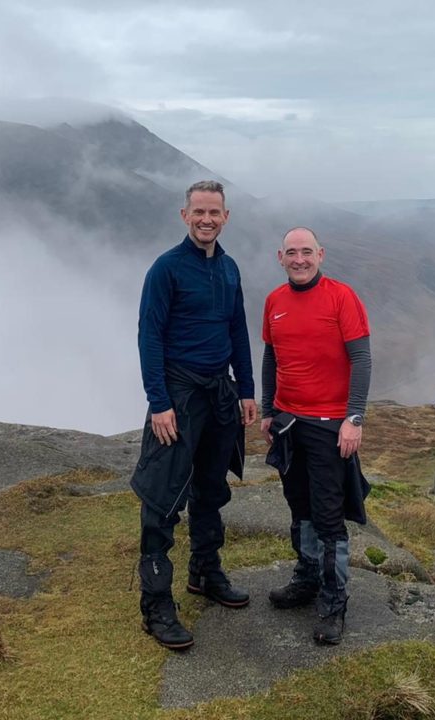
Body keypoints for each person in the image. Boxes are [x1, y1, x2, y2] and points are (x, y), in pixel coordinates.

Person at [131, 180, 259, 650]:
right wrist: (159, 402)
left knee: (211, 488)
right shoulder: (166, 269)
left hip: (219, 394)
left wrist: (246, 390)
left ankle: (205, 573)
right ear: (184, 216)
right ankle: (156, 604)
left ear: (226, 217)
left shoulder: (228, 269)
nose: (207, 219)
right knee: (163, 496)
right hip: (179, 394)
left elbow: (237, 331)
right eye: (199, 212)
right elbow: (149, 336)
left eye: (215, 213)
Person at [260, 226, 372, 645]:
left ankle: (333, 601)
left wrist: (354, 418)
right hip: (288, 422)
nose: (300, 259)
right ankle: (306, 578)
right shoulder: (274, 301)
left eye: (307, 252)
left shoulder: (342, 297)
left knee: (327, 516)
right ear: (281, 256)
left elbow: (361, 359)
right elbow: (272, 356)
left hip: (328, 425)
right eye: (292, 253)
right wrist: (269, 411)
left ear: (320, 254)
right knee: (299, 506)